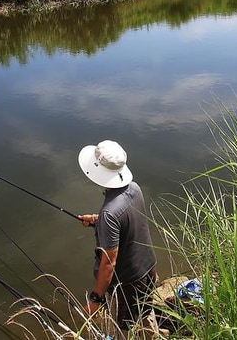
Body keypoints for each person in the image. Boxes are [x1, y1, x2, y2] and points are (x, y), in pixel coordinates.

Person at [77, 140, 158, 335]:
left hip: (128, 284)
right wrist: (98, 221)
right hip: (148, 268)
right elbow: (127, 221)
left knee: (123, 329)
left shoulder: (109, 214)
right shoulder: (135, 188)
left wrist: (95, 299)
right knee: (146, 313)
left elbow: (108, 264)